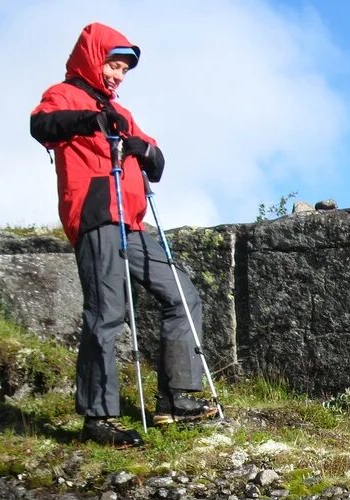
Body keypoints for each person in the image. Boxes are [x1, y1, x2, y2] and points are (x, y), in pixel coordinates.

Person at [30, 22, 218, 447]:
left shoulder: (123, 113)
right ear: (92, 59)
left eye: (123, 70)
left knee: (182, 295)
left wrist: (142, 148)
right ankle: (99, 417)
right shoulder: (64, 95)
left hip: (132, 222)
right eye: (112, 65)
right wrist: (90, 119)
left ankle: (177, 400)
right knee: (107, 312)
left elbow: (158, 162)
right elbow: (41, 126)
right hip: (96, 216)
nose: (117, 75)